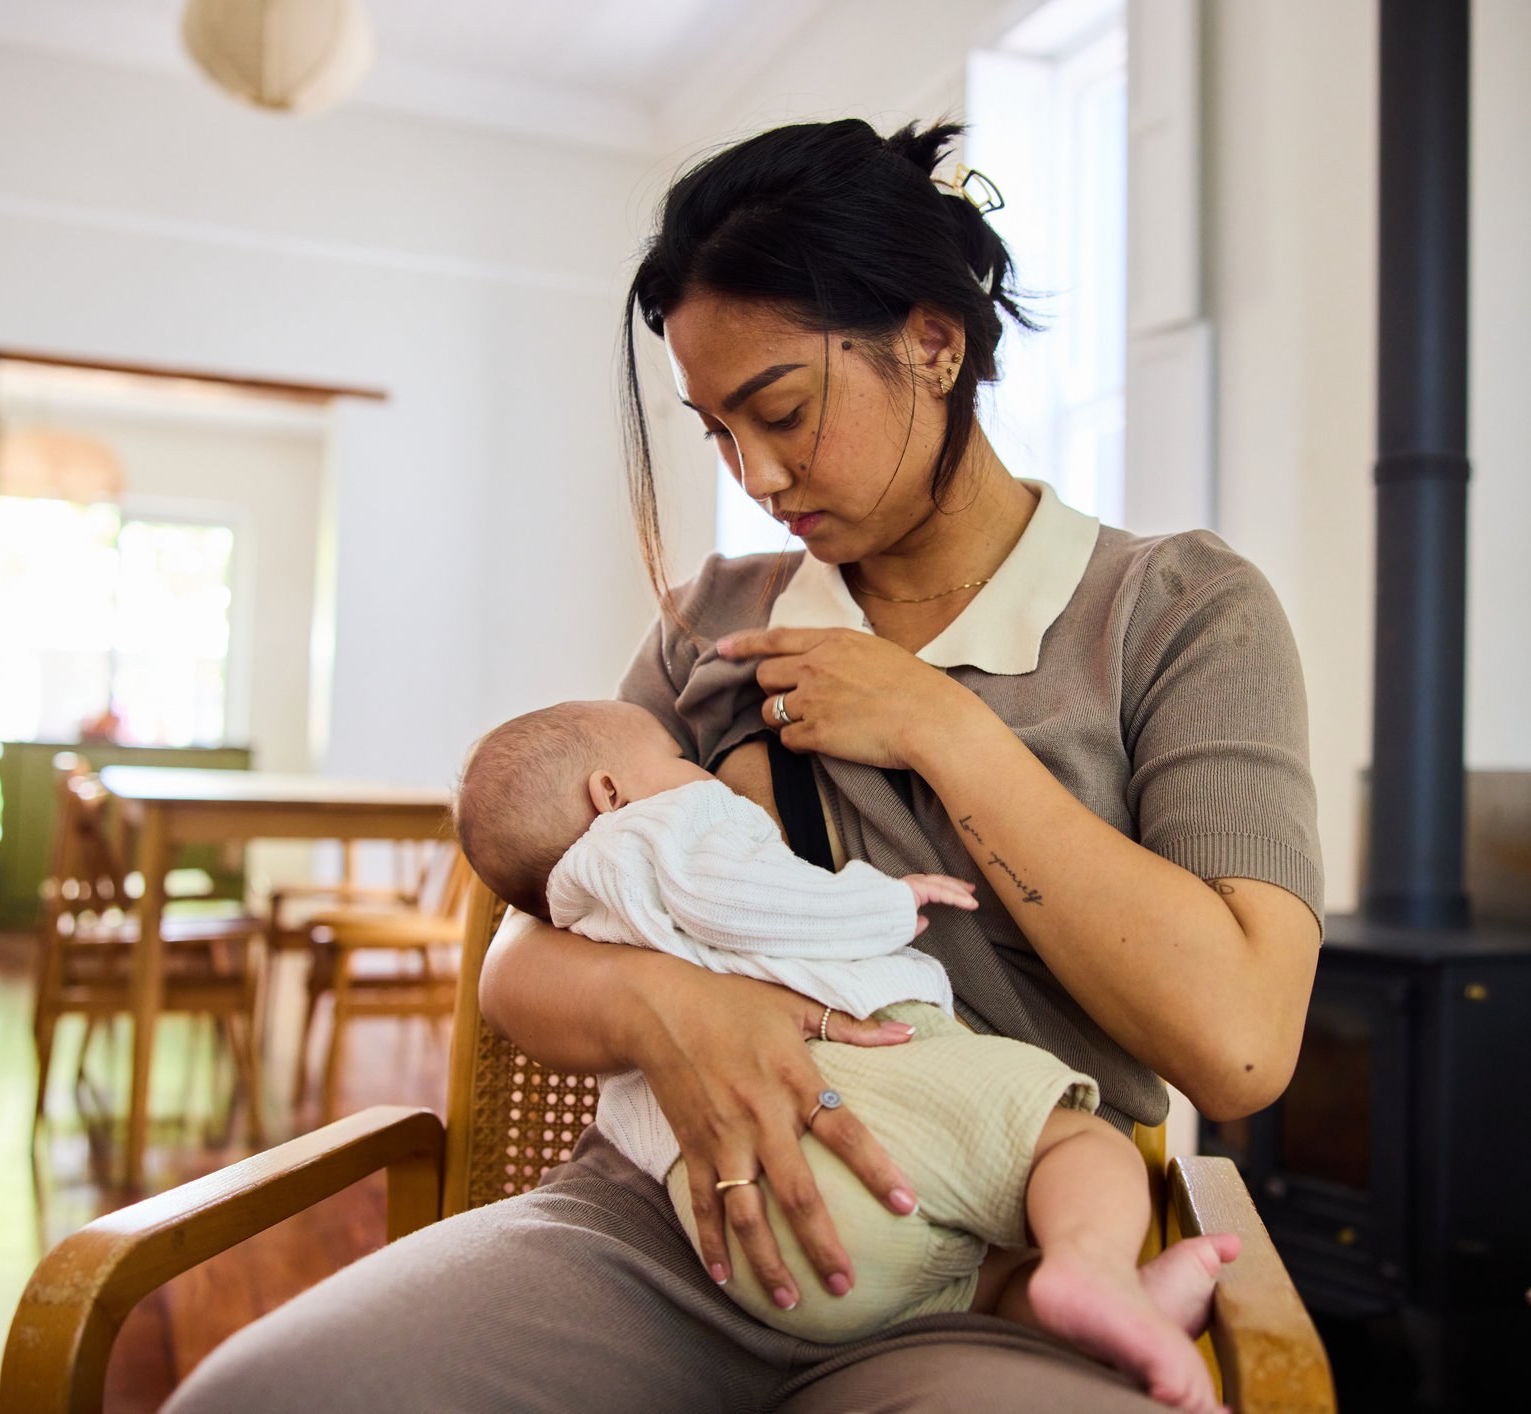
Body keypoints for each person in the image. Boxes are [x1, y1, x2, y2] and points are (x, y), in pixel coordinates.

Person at [168, 116, 1324, 1414]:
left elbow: (1238, 1046)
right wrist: (678, 1011)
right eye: (719, 431)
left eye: (781, 409)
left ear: (934, 340)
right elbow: (523, 958)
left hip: (981, 1277)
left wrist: (944, 730)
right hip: (657, 1231)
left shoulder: (1176, 612)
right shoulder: (710, 623)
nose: (757, 475)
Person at [450, 698, 1236, 1411]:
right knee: (1073, 1141)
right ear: (610, 794)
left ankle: (1064, 1307)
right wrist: (885, 902)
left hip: (746, 1236)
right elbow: (747, 899)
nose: (698, 770)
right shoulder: (657, 828)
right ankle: (1093, 1270)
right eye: (678, 755)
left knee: (963, 1283)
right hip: (856, 1079)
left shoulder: (578, 910)